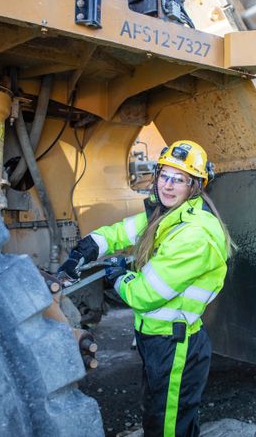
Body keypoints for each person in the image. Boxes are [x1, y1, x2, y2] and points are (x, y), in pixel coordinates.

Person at [59, 140, 233, 437]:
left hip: (175, 345)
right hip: (158, 340)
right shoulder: (167, 214)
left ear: (195, 186)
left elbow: (144, 295)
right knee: (161, 415)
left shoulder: (195, 234)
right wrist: (89, 247)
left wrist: (117, 276)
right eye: (164, 175)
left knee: (167, 426)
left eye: (179, 179)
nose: (168, 185)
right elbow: (121, 232)